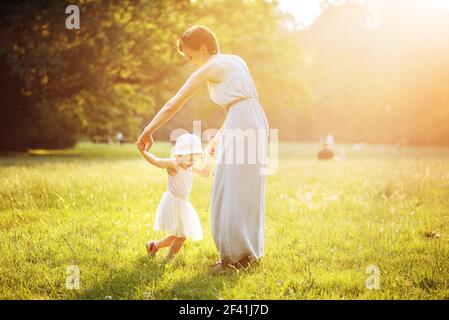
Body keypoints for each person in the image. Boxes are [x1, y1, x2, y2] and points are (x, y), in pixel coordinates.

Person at [137, 25, 269, 271]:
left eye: (190, 56)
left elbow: (173, 104)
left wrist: (148, 130)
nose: (190, 62)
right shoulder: (236, 61)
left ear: (203, 48)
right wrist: (219, 138)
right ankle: (247, 254)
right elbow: (240, 104)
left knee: (228, 189)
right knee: (244, 189)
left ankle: (232, 259)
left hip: (242, 121)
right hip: (252, 119)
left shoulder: (212, 66)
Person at [137, 133, 212, 261]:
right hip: (173, 202)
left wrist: (210, 156)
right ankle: (168, 260)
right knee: (182, 235)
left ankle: (154, 245)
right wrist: (143, 151)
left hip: (183, 204)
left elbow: (205, 172)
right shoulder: (174, 165)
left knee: (179, 234)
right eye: (189, 159)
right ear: (179, 155)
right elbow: (157, 161)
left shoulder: (190, 167)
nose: (191, 162)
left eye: (194, 159)